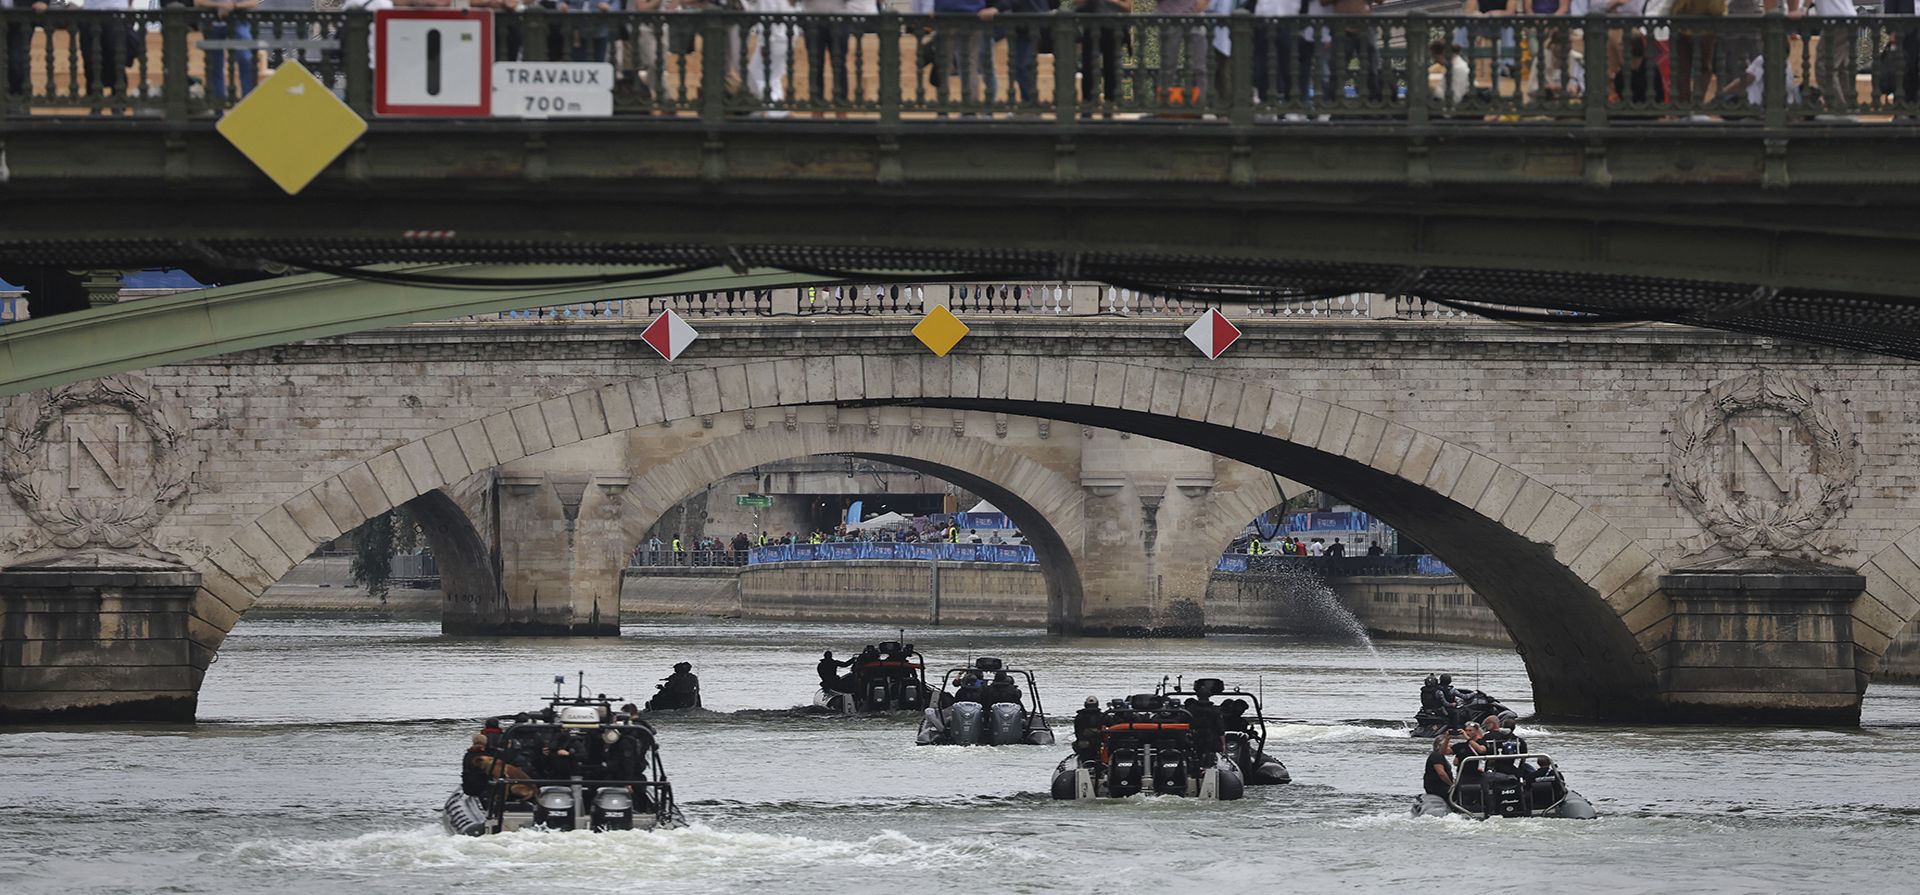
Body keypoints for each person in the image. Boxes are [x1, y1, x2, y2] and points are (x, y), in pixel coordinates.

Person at [195, 0, 262, 103]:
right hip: (212, 23)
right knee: (214, 65)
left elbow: (253, 2)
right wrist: (220, 5)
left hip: (239, 21)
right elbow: (198, 2)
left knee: (246, 59)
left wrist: (233, 6)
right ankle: (218, 108)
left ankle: (248, 103)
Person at [1425, 732, 1456, 798]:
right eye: (1448, 745)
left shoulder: (1440, 756)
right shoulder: (1436, 756)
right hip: (1438, 788)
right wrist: (1451, 785)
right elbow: (1441, 773)